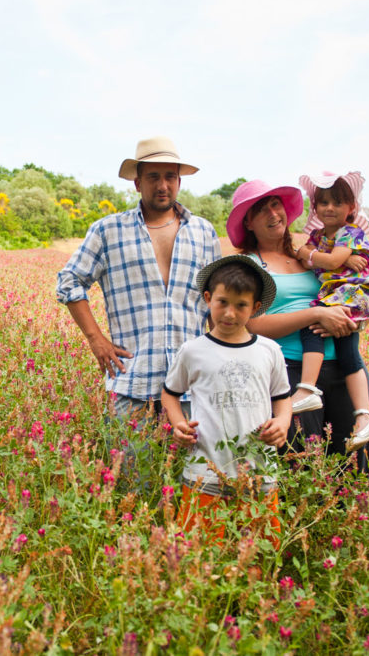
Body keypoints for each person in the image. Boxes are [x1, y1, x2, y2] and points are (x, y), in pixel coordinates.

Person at [56, 136, 221, 486]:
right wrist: (95, 339)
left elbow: (217, 300)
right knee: (135, 488)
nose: (163, 185)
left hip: (193, 384)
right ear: (137, 182)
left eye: (170, 177)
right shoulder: (107, 230)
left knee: (195, 484)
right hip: (133, 379)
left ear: (179, 180)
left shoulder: (203, 232)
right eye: (153, 177)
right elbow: (69, 281)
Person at [226, 179, 369, 472]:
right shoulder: (247, 265)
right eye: (262, 210)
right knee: (301, 466)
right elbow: (251, 325)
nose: (273, 214)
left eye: (276, 205)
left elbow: (355, 289)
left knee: (355, 467)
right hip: (292, 374)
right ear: (248, 222)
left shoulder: (311, 255)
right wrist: (314, 316)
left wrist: (350, 318)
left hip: (344, 368)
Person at [161, 255, 291, 541]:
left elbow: (282, 398)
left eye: (241, 305)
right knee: (199, 550)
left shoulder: (269, 350)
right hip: (204, 472)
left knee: (261, 550)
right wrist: (178, 424)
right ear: (208, 298)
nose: (230, 313)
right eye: (222, 302)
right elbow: (170, 394)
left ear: (255, 307)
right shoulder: (192, 351)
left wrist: (282, 423)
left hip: (259, 471)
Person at [291, 171, 369, 452]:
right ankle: (364, 416)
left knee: (312, 323)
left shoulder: (350, 233)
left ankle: (307, 387)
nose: (329, 208)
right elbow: (311, 255)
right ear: (315, 207)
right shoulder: (319, 235)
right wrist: (310, 254)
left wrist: (308, 255)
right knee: (347, 354)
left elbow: (329, 262)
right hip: (342, 296)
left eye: (338, 202)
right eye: (323, 202)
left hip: (353, 296)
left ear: (351, 208)